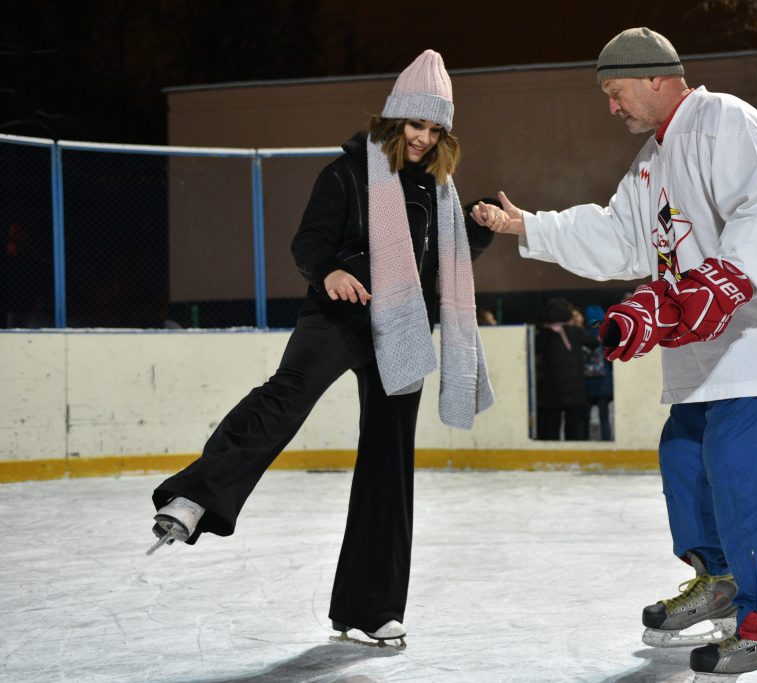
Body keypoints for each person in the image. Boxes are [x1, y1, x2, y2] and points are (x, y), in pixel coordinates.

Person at [473, 28, 757, 682]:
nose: (611, 107)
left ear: (655, 76)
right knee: (685, 461)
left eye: (615, 91)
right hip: (702, 352)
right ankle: (722, 580)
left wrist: (721, 281)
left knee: (736, 471)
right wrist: (531, 227)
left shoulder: (726, 122)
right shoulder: (652, 159)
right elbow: (619, 238)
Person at [147, 50, 496, 648]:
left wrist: (478, 230)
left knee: (390, 467)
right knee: (289, 394)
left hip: (403, 329)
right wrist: (330, 271)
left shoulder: (438, 193)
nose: (423, 138)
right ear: (394, 118)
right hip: (340, 314)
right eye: (416, 124)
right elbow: (308, 244)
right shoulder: (346, 174)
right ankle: (193, 495)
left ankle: (370, 608)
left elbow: (439, 269)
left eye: (436, 129)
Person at [534, 297, 599, 440]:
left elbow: (530, 350)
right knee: (575, 423)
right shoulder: (576, 331)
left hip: (552, 387)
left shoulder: (543, 335)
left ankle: (551, 448)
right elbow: (594, 343)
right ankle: (575, 446)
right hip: (575, 387)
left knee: (552, 422)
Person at [582, 304, 614, 441]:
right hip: (604, 381)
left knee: (585, 417)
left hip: (586, 381)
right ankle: (606, 439)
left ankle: (584, 441)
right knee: (604, 417)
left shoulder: (583, 334)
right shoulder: (607, 334)